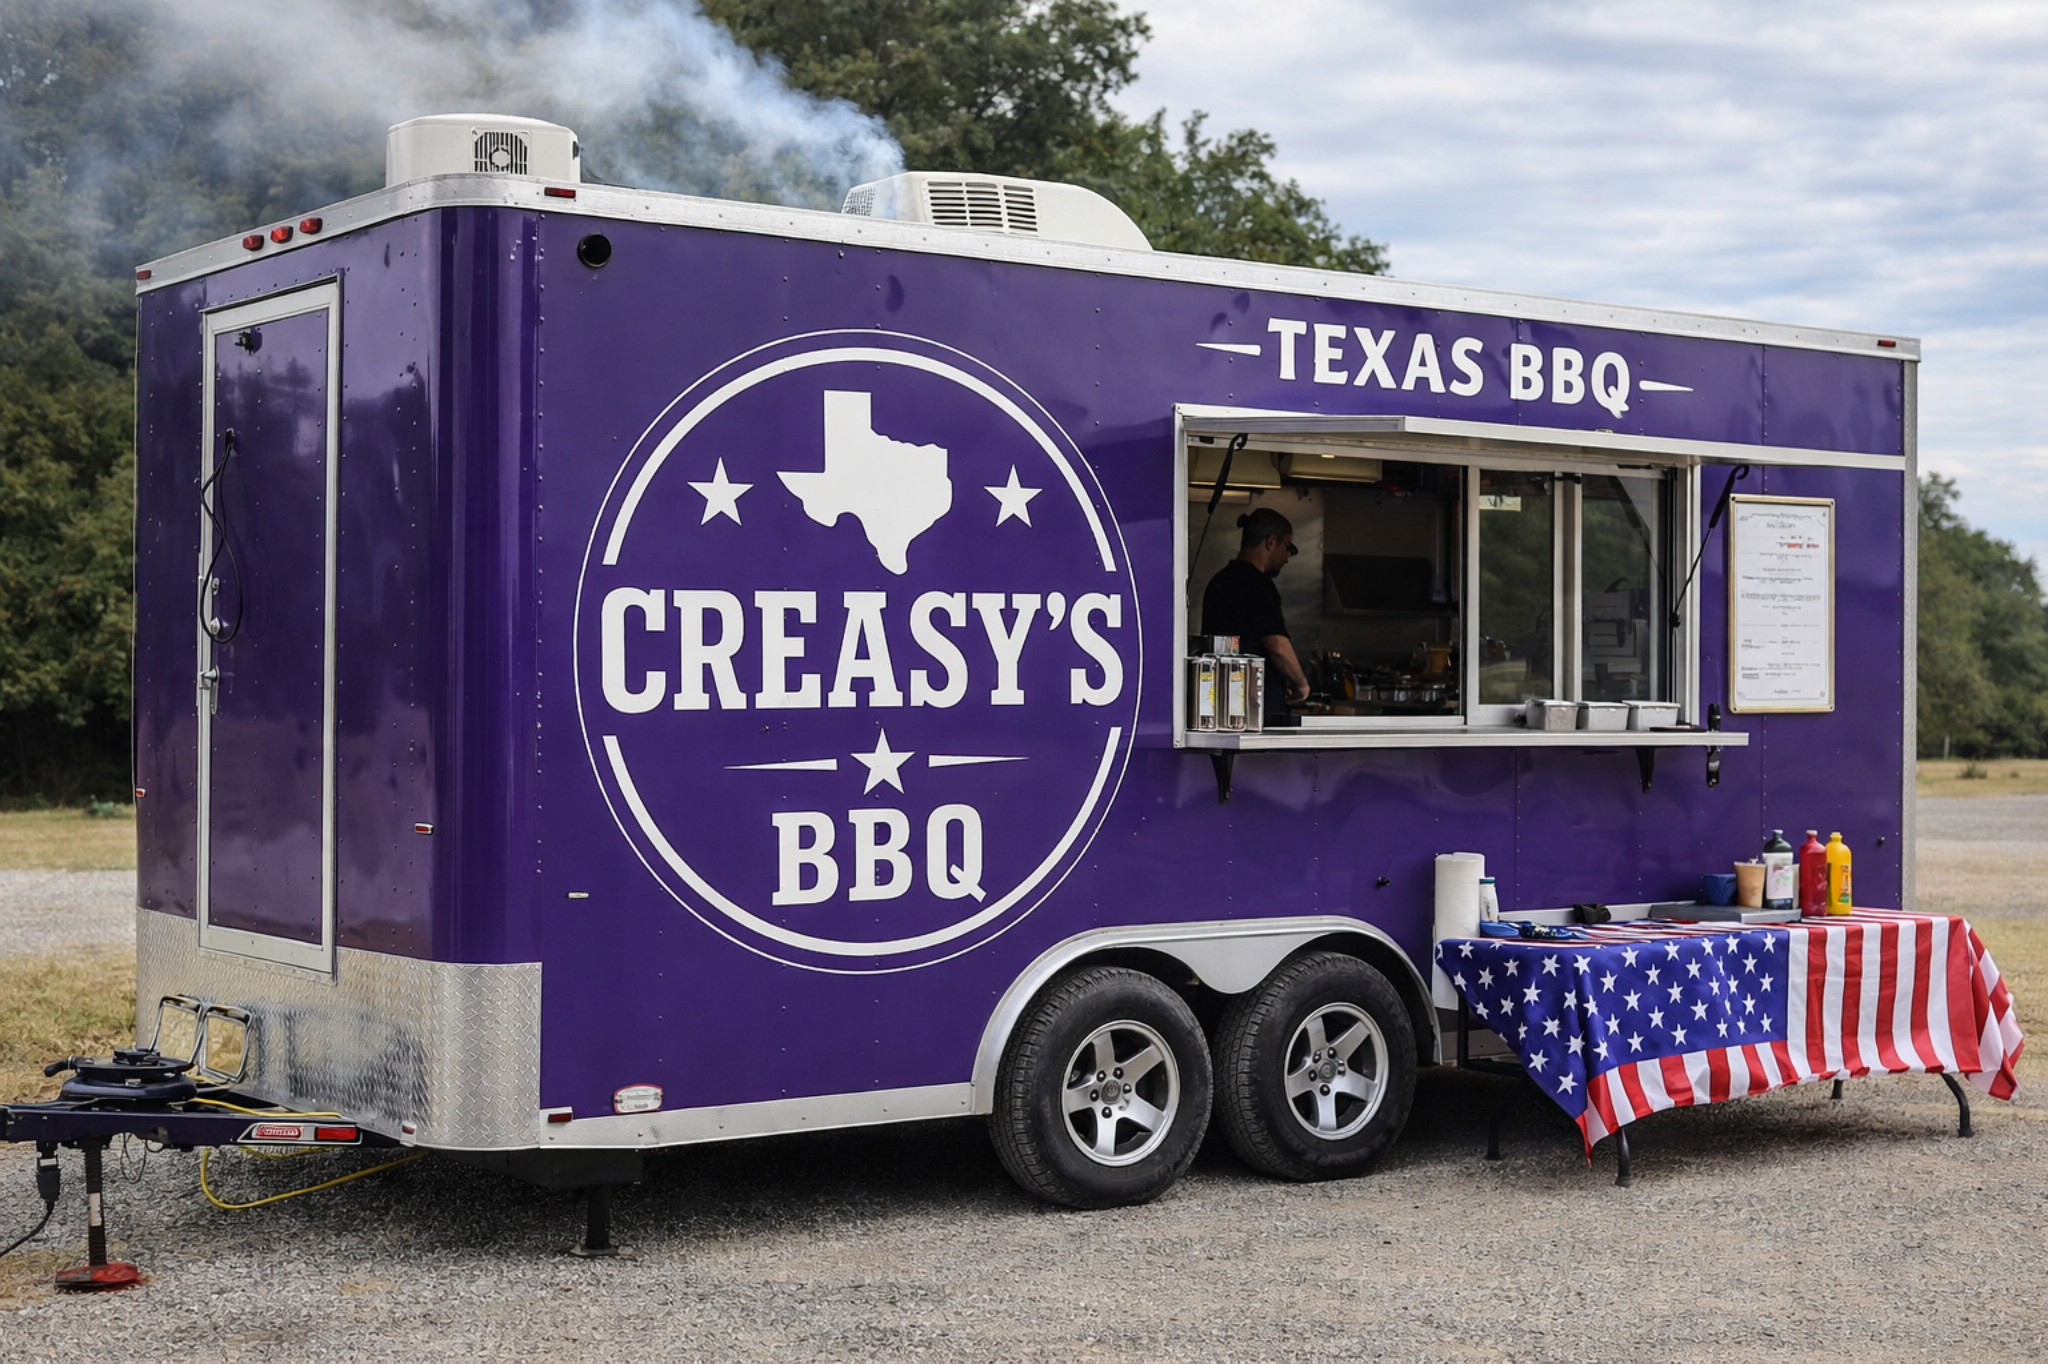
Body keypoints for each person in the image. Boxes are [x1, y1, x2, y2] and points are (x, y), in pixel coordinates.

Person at [1200, 507, 1311, 715]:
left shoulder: (1218, 581)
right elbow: (1276, 644)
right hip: (1255, 707)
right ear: (1271, 541)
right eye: (1288, 547)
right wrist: (1301, 684)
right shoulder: (1258, 585)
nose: (1287, 558)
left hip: (1217, 703)